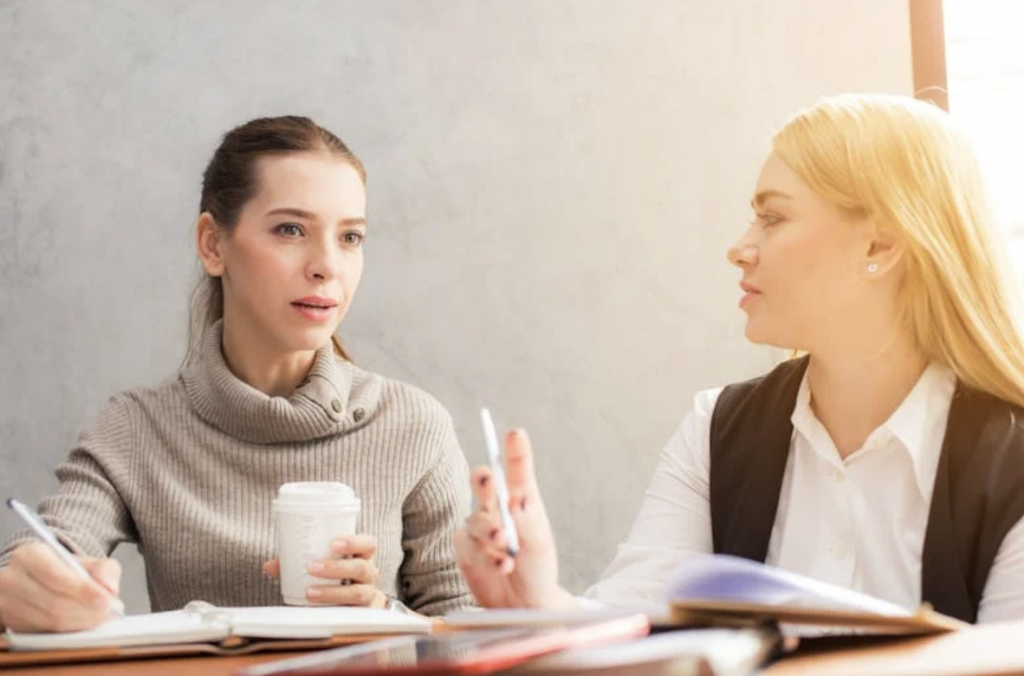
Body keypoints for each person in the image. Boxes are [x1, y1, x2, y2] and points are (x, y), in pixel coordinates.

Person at [455, 93, 1024, 624]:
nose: (740, 247)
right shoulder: (716, 429)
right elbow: (635, 629)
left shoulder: (1011, 459)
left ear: (879, 247)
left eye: (772, 217)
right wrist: (539, 600)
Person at [0, 116, 474, 632]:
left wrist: (385, 615)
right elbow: (46, 552)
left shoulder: (414, 426)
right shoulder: (136, 429)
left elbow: (474, 634)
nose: (326, 266)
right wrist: (27, 586)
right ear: (213, 245)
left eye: (350, 237)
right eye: (290, 229)